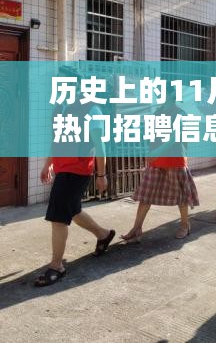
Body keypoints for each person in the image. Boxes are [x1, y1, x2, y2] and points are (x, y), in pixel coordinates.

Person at [35, 66, 115, 287]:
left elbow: (100, 146)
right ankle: (103, 234)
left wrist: (101, 174)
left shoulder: (91, 108)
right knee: (73, 210)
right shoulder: (60, 107)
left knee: (58, 217)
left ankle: (56, 266)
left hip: (77, 170)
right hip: (63, 168)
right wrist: (48, 164)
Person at [122, 88, 199, 242]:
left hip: (175, 160)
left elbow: (175, 136)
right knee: (146, 195)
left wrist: (157, 151)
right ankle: (136, 228)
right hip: (156, 160)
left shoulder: (180, 114)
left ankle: (185, 225)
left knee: (181, 196)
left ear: (171, 95)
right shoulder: (158, 112)